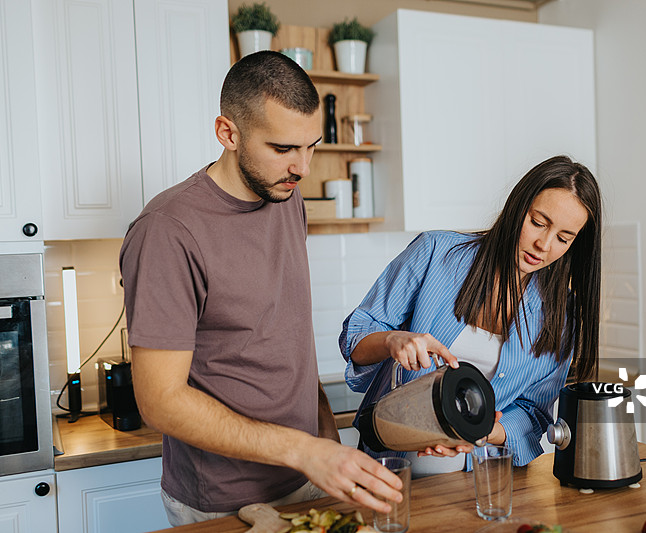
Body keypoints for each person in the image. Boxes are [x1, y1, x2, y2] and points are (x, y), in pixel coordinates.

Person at [119, 51, 402, 526]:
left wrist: (326, 445)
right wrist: (304, 450)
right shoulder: (168, 231)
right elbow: (159, 402)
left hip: (306, 476)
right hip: (222, 498)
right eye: (284, 148)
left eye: (311, 146)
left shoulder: (286, 198)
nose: (303, 167)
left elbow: (289, 336)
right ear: (228, 133)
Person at [339, 155, 602, 475]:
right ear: (518, 206)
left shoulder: (561, 315)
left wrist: (482, 430)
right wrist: (394, 340)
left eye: (563, 238)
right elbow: (356, 336)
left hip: (480, 477)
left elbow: (534, 414)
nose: (543, 245)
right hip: (391, 467)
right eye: (538, 222)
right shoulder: (435, 252)